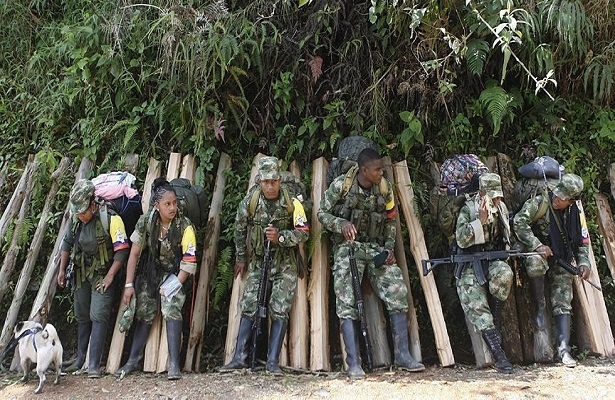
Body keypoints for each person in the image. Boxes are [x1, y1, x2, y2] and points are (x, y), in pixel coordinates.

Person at [318, 147, 424, 378]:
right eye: (377, 170)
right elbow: (322, 214)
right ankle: (353, 363)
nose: (381, 174)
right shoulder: (341, 186)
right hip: (349, 249)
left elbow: (390, 220)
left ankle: (403, 355)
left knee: (397, 289)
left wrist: (388, 248)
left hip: (375, 248)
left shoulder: (384, 189)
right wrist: (341, 224)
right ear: (364, 170)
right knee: (346, 300)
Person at [220, 156, 309, 375]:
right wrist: (240, 257)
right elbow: (239, 228)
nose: (270, 186)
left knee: (280, 309)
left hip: (284, 263)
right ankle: (240, 357)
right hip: (259, 262)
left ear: (279, 180)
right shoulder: (251, 201)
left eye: (274, 181)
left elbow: (304, 233)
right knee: (249, 304)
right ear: (260, 181)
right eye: (266, 182)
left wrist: (280, 237)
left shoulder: (292, 202)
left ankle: (272, 362)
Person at [115, 178, 198, 380]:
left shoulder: (185, 225)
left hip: (176, 273)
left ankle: (173, 364)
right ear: (157, 206)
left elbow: (189, 259)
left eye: (174, 203)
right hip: (152, 271)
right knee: (144, 307)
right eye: (167, 204)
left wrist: (175, 284)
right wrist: (128, 284)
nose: (172, 208)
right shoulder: (147, 222)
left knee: (172, 307)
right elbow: (134, 254)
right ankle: (133, 360)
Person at [514, 173, 590, 367]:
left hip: (561, 258)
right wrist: (537, 245)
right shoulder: (542, 203)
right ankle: (540, 306)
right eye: (557, 195)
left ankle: (564, 349)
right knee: (535, 263)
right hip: (540, 254)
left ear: (572, 201)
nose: (557, 200)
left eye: (562, 199)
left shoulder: (576, 213)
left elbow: (582, 242)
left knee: (563, 295)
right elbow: (519, 222)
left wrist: (584, 263)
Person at [56, 179, 130, 377]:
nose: (80, 215)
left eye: (83, 211)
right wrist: (62, 270)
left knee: (98, 314)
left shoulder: (111, 219)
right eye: (77, 212)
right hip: (81, 273)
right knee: (81, 313)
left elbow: (122, 251)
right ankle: (80, 359)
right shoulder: (76, 219)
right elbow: (67, 243)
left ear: (93, 204)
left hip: (102, 273)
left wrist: (110, 276)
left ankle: (94, 365)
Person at [455, 173, 514, 374]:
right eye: (492, 197)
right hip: (469, 263)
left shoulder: (501, 209)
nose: (497, 201)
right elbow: (461, 240)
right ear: (482, 194)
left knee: (505, 274)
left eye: (498, 197)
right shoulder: (468, 210)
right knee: (476, 304)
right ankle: (499, 356)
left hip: (492, 260)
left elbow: (505, 238)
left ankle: (495, 325)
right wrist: (479, 222)